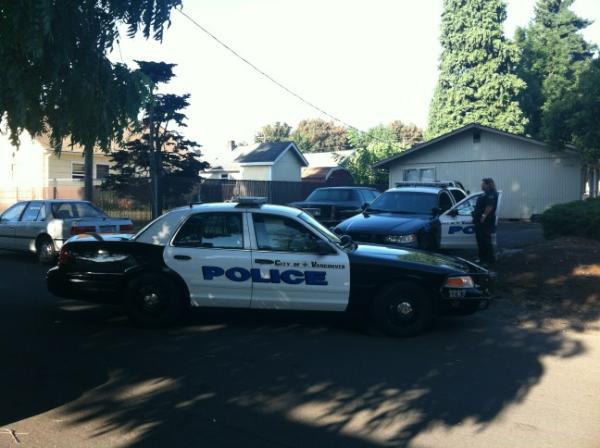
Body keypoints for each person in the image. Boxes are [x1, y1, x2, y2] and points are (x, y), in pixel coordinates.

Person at [473, 178, 499, 264]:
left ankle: (489, 260)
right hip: (482, 221)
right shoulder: (486, 194)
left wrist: (483, 216)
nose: (481, 185)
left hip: (485, 222)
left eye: (483, 184)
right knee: (481, 240)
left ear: (488, 185)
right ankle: (483, 259)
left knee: (485, 241)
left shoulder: (490, 194)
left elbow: (489, 206)